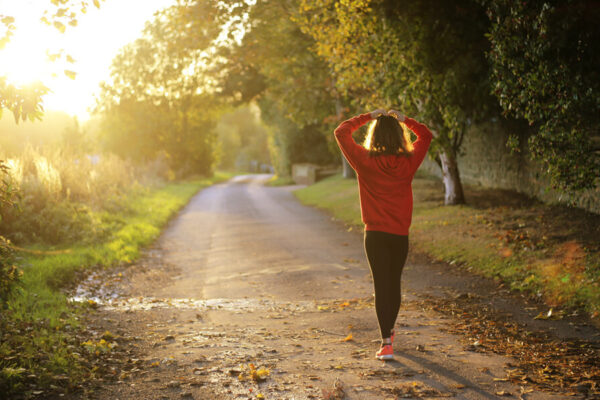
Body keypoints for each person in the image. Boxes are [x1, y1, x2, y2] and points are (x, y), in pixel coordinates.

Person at [334, 108, 433, 360]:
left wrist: (368, 116)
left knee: (381, 285)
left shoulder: (364, 160)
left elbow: (341, 132)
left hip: (375, 235)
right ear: (400, 136)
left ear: (374, 136)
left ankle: (386, 342)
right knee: (394, 283)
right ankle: (389, 331)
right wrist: (405, 119)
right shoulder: (408, 162)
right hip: (399, 234)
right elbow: (426, 135)